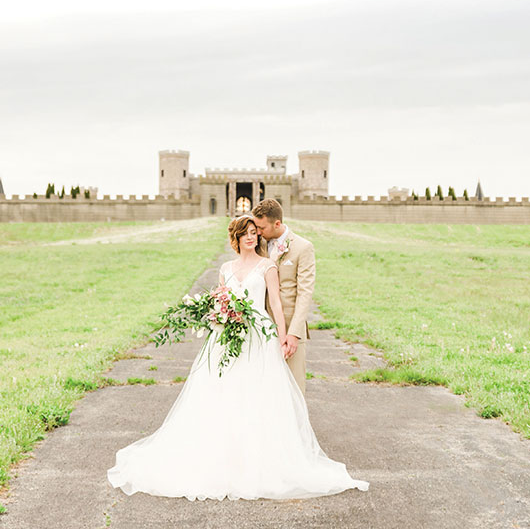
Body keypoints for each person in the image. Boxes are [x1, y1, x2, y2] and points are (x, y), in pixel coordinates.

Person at [107, 215, 369, 500]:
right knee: (222, 393)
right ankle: (222, 454)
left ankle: (260, 457)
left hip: (259, 336)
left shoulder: (267, 266)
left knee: (258, 395)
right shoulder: (226, 268)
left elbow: (276, 305)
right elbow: (221, 297)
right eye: (245, 233)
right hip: (228, 337)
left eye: (254, 232)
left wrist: (284, 336)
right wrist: (218, 315)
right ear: (236, 237)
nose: (251, 237)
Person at [251, 198, 314, 394]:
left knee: (293, 387)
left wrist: (293, 334)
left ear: (277, 224)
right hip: (260, 328)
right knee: (264, 386)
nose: (258, 232)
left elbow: (305, 293)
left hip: (289, 328)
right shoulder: (256, 244)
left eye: (261, 227)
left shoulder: (303, 247)